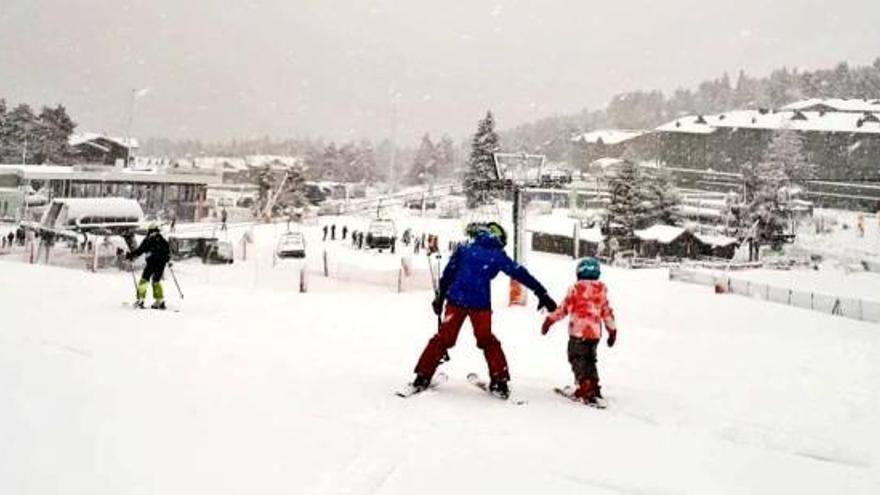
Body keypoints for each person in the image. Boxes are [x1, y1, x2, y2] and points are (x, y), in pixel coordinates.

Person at [410, 222, 557, 398]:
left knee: (443, 339)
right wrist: (541, 292)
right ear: (499, 238)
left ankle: (422, 376)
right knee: (487, 340)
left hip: (456, 301)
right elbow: (519, 273)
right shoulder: (496, 254)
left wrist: (440, 298)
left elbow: (448, 273)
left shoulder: (464, 249)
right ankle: (500, 380)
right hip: (480, 304)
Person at [541, 257, 617, 406]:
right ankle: (594, 385)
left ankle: (584, 386)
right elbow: (607, 313)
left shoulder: (576, 289)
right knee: (590, 360)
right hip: (594, 334)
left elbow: (563, 309)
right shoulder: (601, 291)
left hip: (578, 333)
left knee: (577, 358)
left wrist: (549, 321)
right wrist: (612, 331)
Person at [126, 222, 172, 309]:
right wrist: (168, 260)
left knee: (144, 279)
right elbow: (168, 253)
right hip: (161, 264)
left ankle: (141, 299)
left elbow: (140, 251)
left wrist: (131, 256)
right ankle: (159, 300)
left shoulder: (148, 240)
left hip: (152, 263)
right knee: (156, 281)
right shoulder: (162, 240)